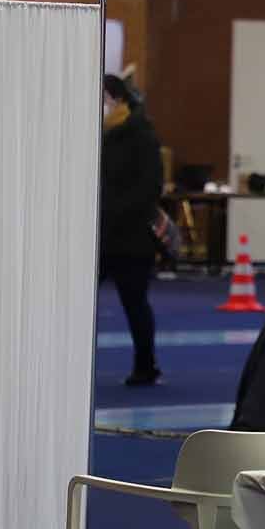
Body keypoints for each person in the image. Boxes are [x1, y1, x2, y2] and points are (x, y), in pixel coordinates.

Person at [100, 74, 165, 386]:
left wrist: (114, 211)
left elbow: (151, 186)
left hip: (131, 236)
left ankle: (146, 365)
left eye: (104, 98)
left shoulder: (141, 133)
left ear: (117, 98)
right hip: (100, 236)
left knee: (134, 303)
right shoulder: (100, 134)